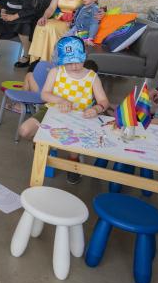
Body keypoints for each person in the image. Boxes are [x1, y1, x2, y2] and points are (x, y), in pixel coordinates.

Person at [18, 37, 110, 184]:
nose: (73, 66)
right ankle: (41, 147)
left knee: (73, 147)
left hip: (79, 118)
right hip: (51, 112)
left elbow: (104, 101)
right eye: (69, 62)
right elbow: (44, 94)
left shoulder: (92, 77)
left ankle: (73, 162)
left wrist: (96, 108)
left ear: (84, 55)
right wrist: (60, 100)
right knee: (24, 130)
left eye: (77, 61)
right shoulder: (56, 71)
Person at [28, 0, 94, 64]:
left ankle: (51, 62)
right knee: (41, 25)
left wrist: (74, 21)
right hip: (58, 20)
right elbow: (51, 7)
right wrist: (44, 17)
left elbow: (91, 11)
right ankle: (36, 63)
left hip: (73, 25)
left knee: (50, 27)